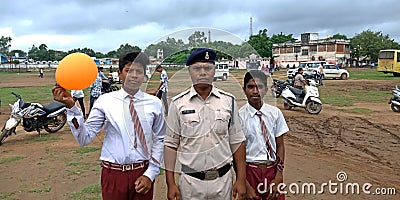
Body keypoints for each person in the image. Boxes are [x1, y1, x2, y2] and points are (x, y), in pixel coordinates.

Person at [52, 50, 165, 200]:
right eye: (129, 70)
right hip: (113, 175)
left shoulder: (154, 104)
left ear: (144, 75)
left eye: (139, 71)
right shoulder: (105, 101)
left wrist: (150, 174)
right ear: (119, 73)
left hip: (142, 173)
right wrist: (72, 107)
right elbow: (84, 138)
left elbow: (160, 140)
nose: (134, 75)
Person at [164, 48, 247, 200]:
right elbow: (170, 144)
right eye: (197, 68)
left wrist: (241, 180)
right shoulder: (178, 104)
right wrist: (170, 183)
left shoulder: (229, 101)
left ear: (214, 71)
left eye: (207, 68)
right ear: (190, 71)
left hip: (222, 182)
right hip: (190, 184)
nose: (202, 72)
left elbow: (238, 142)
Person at [239, 70, 289, 200]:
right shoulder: (239, 117)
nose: (255, 91)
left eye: (259, 87)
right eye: (251, 87)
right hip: (249, 171)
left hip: (272, 170)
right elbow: (236, 153)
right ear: (244, 89)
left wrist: (279, 175)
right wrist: (245, 183)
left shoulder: (275, 113)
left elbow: (280, 146)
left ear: (266, 89)